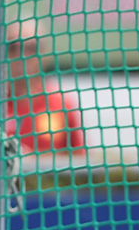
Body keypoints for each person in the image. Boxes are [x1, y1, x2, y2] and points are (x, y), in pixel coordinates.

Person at [7, 20, 85, 155]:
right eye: (13, 47)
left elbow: (80, 159)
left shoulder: (60, 104)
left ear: (44, 54)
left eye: (31, 48)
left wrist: (32, 160)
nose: (22, 56)